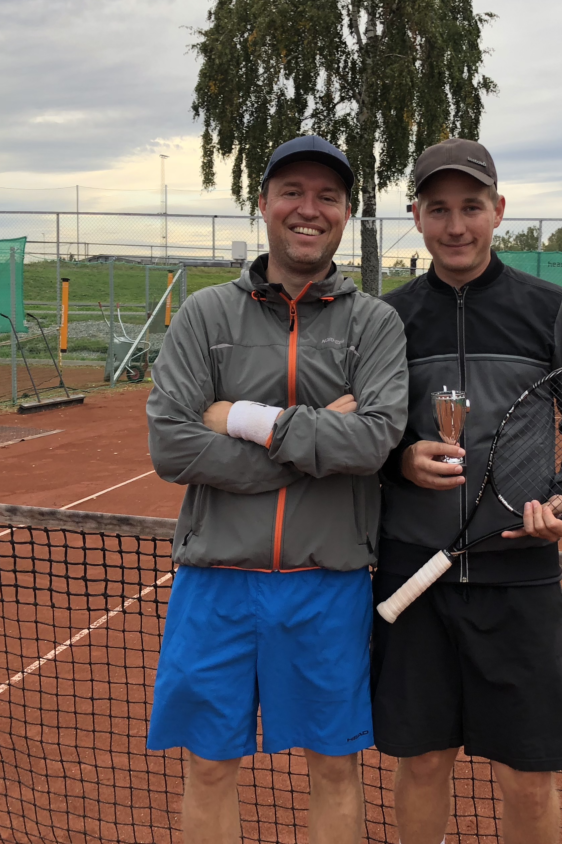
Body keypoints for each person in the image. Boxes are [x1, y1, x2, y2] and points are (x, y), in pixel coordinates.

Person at [146, 135, 409, 844]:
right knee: (208, 769)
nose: (308, 209)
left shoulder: (375, 323)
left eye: (328, 196)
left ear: (346, 213)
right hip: (215, 583)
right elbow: (172, 445)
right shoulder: (204, 315)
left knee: (335, 770)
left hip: (328, 585)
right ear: (263, 204)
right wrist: (314, 447)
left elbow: (373, 441)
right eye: (292, 192)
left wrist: (242, 419)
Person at [373, 137, 562, 844]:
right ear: (416, 216)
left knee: (528, 775)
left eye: (471, 207)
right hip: (413, 575)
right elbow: (367, 433)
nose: (456, 225)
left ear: (498, 210)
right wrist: (399, 461)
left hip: (519, 578)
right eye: (438, 209)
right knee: (421, 762)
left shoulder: (547, 308)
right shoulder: (387, 318)